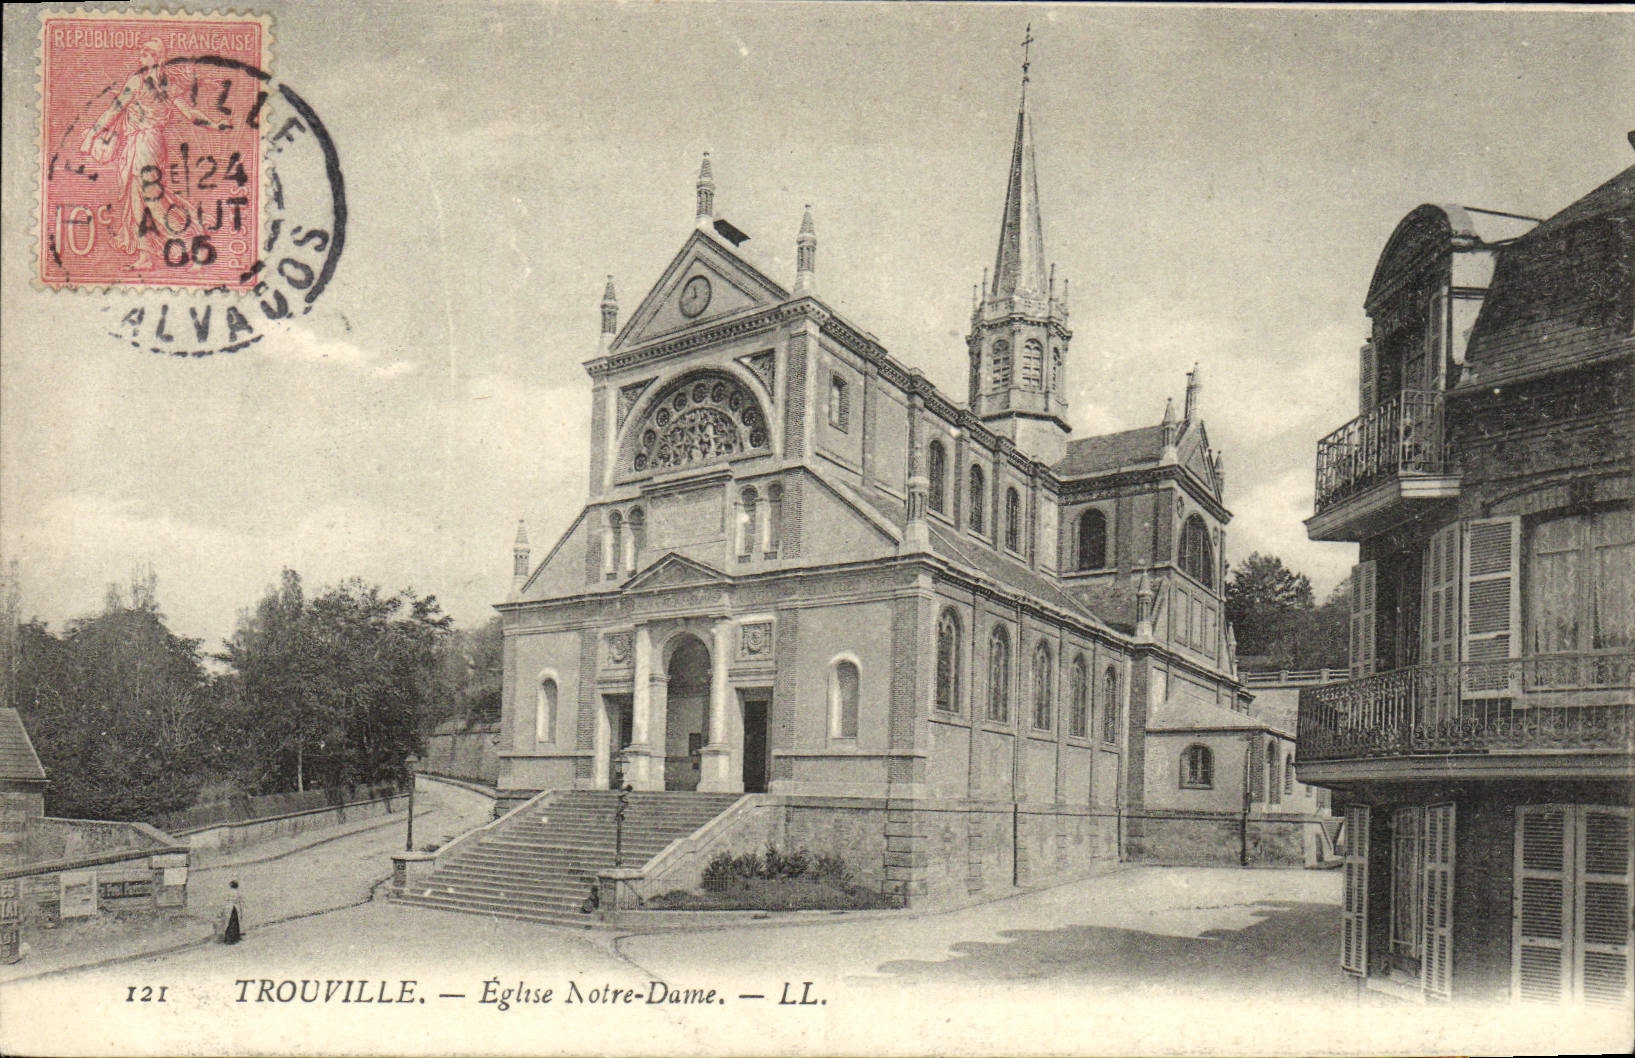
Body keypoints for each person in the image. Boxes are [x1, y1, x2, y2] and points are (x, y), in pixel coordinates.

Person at [78, 39, 225, 270]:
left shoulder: (141, 82)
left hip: (146, 144)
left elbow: (115, 111)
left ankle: (198, 247)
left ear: (156, 58)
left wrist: (90, 137)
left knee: (155, 201)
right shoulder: (164, 84)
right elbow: (190, 114)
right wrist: (214, 125)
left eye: (146, 53)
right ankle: (145, 256)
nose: (141, 56)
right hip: (145, 144)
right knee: (138, 204)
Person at [218, 879, 245, 944]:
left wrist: (222, 911)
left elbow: (225, 901)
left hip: (229, 908)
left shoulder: (228, 892)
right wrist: (241, 911)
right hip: (235, 908)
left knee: (229, 923)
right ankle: (235, 938)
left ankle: (228, 938)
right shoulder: (238, 893)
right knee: (235, 923)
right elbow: (240, 902)